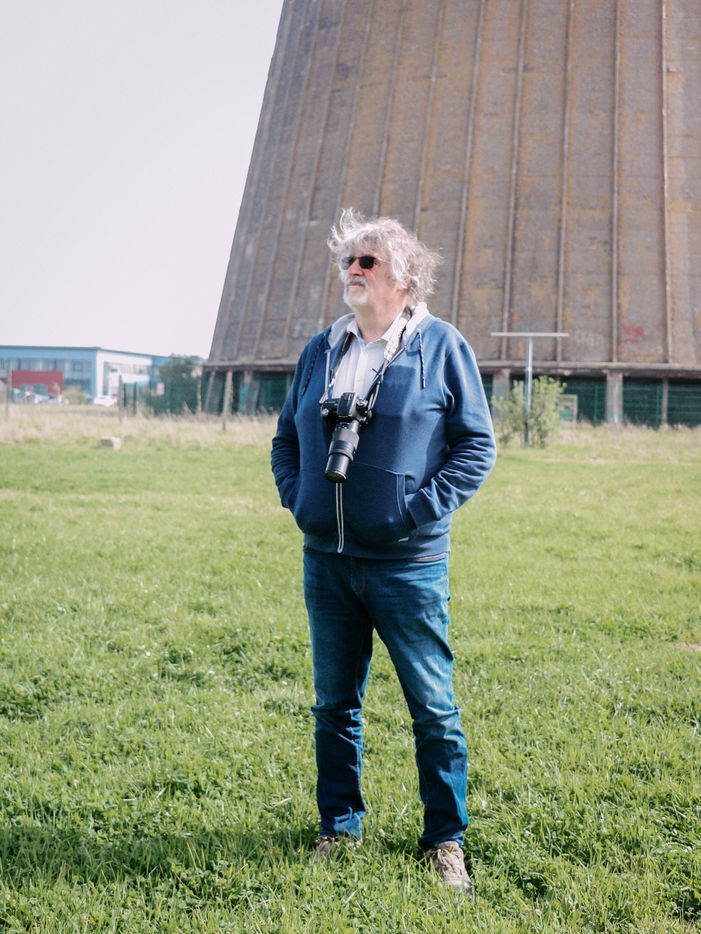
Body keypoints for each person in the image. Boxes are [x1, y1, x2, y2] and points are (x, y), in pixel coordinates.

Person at [271, 208, 496, 894]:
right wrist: (301, 501)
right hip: (327, 559)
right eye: (348, 260)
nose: (353, 270)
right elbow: (285, 440)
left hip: (407, 565)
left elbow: (476, 447)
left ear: (404, 277)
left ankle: (445, 840)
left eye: (367, 261)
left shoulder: (440, 345)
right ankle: (338, 826)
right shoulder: (322, 349)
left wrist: (413, 513)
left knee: (432, 707)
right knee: (334, 704)